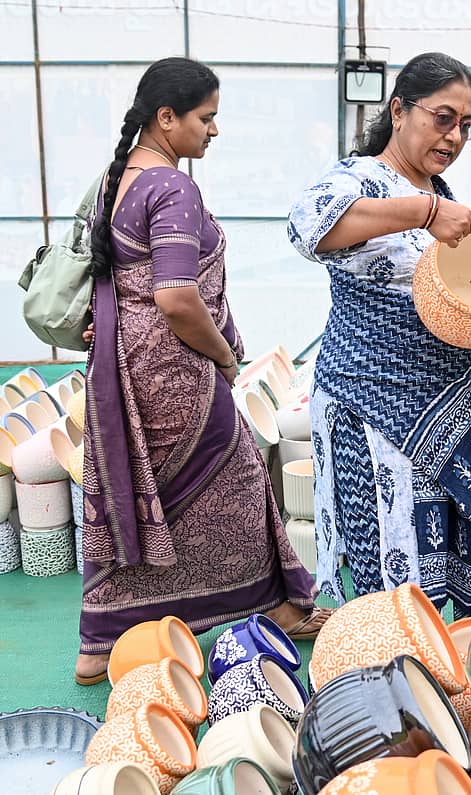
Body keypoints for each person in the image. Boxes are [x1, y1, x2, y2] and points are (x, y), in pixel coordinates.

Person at [76, 57, 329, 685]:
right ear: (168, 118)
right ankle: (276, 603)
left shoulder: (118, 181)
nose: (214, 130)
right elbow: (175, 296)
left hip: (124, 363)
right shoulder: (171, 188)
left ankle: (103, 640)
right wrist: (222, 353)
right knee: (238, 478)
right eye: (206, 118)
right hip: (172, 368)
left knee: (148, 492)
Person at [288, 52, 471, 619]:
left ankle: (439, 674)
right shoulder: (360, 178)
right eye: (442, 117)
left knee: (438, 563)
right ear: (399, 110)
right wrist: (421, 210)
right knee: (385, 561)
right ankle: (380, 681)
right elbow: (308, 226)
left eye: (466, 124)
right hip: (375, 404)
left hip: (448, 406)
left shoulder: (445, 194)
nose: (454, 135)